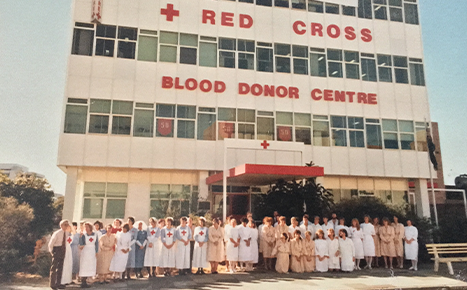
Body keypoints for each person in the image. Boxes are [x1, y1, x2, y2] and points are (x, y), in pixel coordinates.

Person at [49, 219, 69, 290]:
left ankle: (58, 283)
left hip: (63, 250)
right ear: (61, 225)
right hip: (57, 249)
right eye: (65, 225)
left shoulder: (67, 233)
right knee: (54, 267)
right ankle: (52, 284)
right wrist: (52, 252)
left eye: (67, 225)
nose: (66, 226)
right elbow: (51, 243)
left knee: (60, 267)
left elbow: (68, 241)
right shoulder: (57, 233)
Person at [79, 222, 99, 288]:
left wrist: (96, 252)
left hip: (92, 251)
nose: (86, 228)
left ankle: (87, 279)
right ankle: (83, 281)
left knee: (90, 265)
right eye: (85, 227)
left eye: (87, 227)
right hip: (85, 251)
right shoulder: (83, 235)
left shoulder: (95, 235)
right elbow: (81, 244)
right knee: (84, 265)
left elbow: (96, 244)